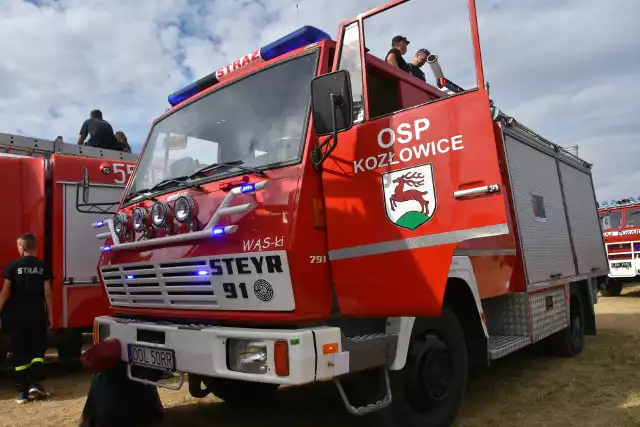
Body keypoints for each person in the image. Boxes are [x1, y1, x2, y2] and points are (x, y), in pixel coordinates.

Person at [0, 233, 53, 404]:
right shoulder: (42, 266)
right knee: (37, 350)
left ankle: (22, 393)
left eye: (18, 246)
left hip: (16, 315)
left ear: (22, 248)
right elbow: (48, 293)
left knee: (20, 351)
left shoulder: (13, 266)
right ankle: (35, 383)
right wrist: (50, 314)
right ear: (34, 247)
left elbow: (5, 292)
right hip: (37, 314)